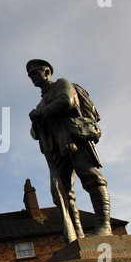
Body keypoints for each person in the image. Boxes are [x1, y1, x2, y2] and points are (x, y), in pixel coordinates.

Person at [27, 59, 112, 237]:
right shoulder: (40, 104)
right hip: (55, 147)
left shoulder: (61, 84)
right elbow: (34, 134)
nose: (32, 77)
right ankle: (77, 235)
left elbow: (67, 101)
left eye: (35, 72)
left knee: (91, 178)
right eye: (30, 75)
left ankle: (104, 227)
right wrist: (35, 123)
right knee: (61, 192)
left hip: (74, 137)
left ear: (47, 72)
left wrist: (40, 114)